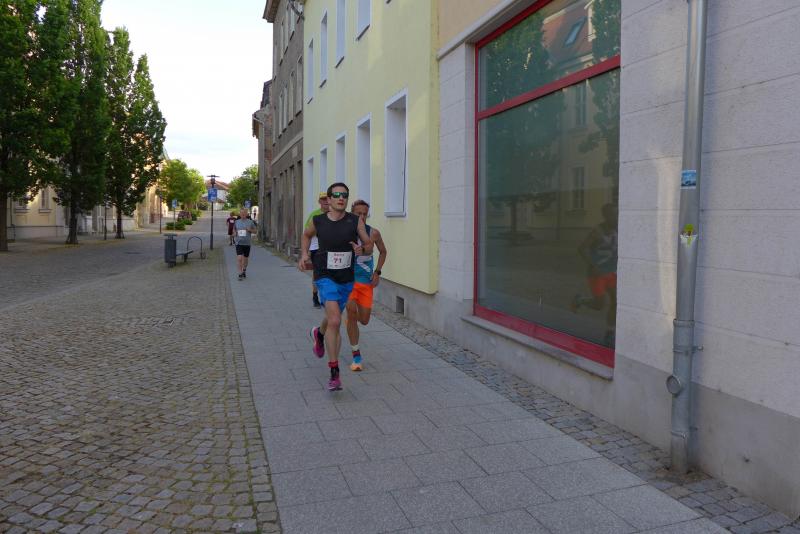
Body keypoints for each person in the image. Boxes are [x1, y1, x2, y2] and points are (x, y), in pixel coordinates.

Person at [299, 183, 371, 391]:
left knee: (333, 318)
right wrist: (304, 254)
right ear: (329, 199)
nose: (341, 198)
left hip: (346, 279)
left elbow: (368, 245)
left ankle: (319, 334)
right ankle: (334, 373)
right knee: (336, 321)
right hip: (325, 275)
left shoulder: (355, 221)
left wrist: (362, 249)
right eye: (337, 195)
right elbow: (306, 235)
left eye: (344, 195)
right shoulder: (318, 221)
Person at [345, 200, 387, 371]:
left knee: (364, 320)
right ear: (352, 213)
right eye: (358, 213)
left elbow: (383, 251)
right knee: (351, 312)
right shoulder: (344, 232)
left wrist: (377, 272)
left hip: (365, 283)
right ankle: (356, 356)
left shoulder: (373, 233)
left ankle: (351, 321)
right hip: (348, 281)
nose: (362, 217)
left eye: (365, 213)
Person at [571, 203, 618, 346]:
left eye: (617, 214)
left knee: (615, 302)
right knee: (599, 305)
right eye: (612, 214)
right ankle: (580, 300)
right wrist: (593, 265)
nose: (616, 217)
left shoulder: (619, 229)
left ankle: (610, 332)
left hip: (612, 272)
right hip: (597, 274)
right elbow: (581, 249)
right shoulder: (597, 231)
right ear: (605, 215)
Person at [305, 192, 330, 308]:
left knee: (328, 274)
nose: (325, 201)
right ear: (319, 201)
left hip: (330, 248)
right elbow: (307, 233)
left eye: (327, 199)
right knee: (317, 274)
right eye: (323, 199)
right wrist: (307, 252)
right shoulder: (314, 215)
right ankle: (315, 296)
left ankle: (326, 297)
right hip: (316, 248)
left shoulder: (334, 214)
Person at [235, 208, 258, 280]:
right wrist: (234, 233)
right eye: (241, 213)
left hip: (247, 243)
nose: (243, 214)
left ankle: (244, 270)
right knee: (239, 258)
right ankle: (240, 273)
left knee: (245, 258)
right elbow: (234, 230)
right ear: (239, 214)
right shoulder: (236, 222)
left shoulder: (250, 222)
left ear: (246, 214)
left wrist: (250, 230)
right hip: (238, 242)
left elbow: (255, 231)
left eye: (244, 213)